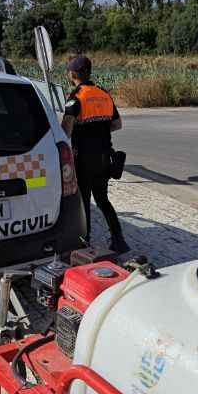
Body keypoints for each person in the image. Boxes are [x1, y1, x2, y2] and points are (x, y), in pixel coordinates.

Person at [61, 55, 129, 253]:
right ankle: (119, 240)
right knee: (103, 200)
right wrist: (99, 127)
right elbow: (117, 124)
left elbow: (66, 131)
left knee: (84, 201)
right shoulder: (103, 94)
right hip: (104, 158)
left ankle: (85, 243)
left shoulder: (75, 98)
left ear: (72, 73)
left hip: (83, 159)